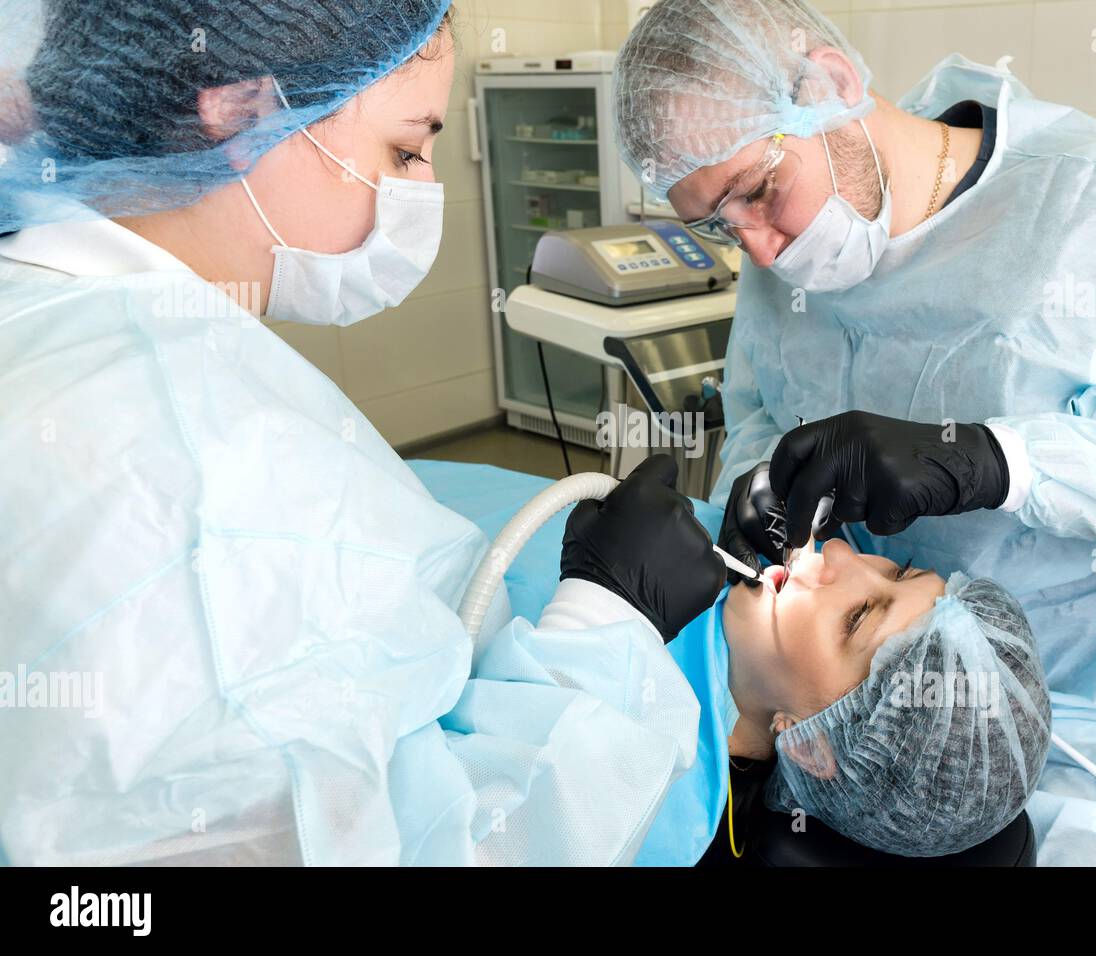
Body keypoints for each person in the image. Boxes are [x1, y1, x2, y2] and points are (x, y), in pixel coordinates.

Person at [0, 0, 724, 866]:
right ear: (241, 116)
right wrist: (610, 626)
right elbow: (436, 848)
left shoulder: (52, 314)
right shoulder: (194, 472)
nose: (420, 190)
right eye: (407, 148)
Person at [613, 0, 1096, 863]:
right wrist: (759, 486)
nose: (758, 249)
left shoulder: (1089, 212)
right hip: (856, 733)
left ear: (828, 85)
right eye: (717, 223)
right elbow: (760, 407)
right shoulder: (787, 247)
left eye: (755, 192)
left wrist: (1000, 461)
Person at [635, 540, 1052, 865]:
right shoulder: (756, 584)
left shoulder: (649, 798)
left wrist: (594, 598)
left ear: (811, 744)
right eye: (900, 571)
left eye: (857, 618)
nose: (837, 551)